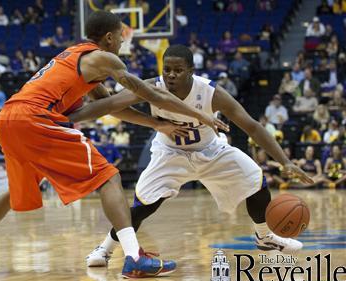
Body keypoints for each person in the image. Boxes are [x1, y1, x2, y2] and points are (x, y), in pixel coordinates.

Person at [0, 11, 227, 278]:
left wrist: (156, 124)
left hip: (8, 119)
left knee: (13, 193)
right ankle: (134, 257)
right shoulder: (105, 58)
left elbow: (110, 107)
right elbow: (148, 92)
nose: (124, 43)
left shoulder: (78, 58)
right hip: (34, 118)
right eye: (121, 37)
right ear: (109, 38)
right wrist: (200, 113)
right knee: (109, 178)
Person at [66, 45, 314, 267]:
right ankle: (105, 249)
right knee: (143, 207)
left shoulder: (210, 93)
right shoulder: (151, 86)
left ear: (191, 71)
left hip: (211, 151)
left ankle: (264, 236)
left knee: (255, 180)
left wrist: (285, 161)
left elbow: (252, 126)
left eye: (178, 70)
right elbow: (111, 105)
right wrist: (68, 119)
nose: (171, 75)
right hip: (170, 153)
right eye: (168, 69)